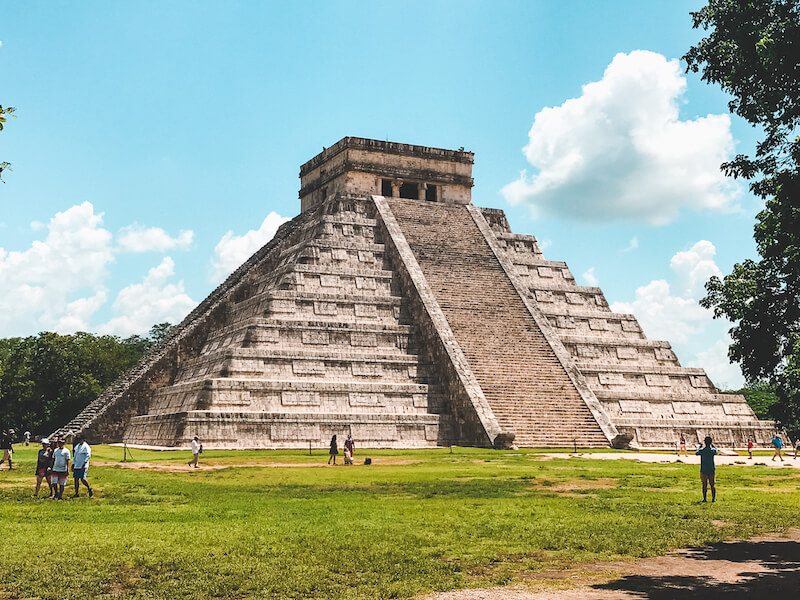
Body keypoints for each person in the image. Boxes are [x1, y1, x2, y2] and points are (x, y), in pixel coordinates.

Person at [695, 436, 718, 503]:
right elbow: (716, 451)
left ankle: (704, 498)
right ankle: (713, 498)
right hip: (711, 469)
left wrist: (701, 446)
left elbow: (696, 453)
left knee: (704, 485)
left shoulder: (702, 450)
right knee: (712, 485)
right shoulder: (712, 450)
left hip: (704, 469)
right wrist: (712, 445)